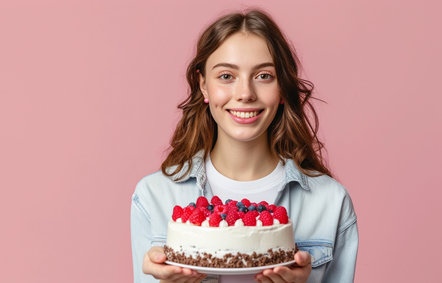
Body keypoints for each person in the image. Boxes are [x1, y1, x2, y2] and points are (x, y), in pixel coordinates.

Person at [131, 9, 358, 283]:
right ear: (203, 85)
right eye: (226, 76)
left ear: (283, 88)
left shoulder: (330, 203)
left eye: (263, 76)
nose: (245, 94)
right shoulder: (154, 197)